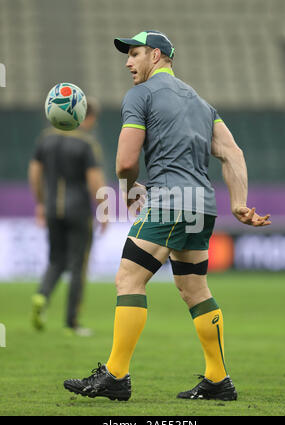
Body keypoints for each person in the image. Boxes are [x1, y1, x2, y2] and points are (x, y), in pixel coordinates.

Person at [64, 31, 271, 399]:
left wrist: (128, 192)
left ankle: (115, 375)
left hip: (170, 202)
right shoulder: (201, 103)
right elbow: (233, 153)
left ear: (156, 56)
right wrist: (238, 202)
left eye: (135, 54)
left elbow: (126, 161)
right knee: (194, 289)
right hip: (202, 206)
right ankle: (218, 380)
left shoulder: (140, 96)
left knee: (128, 279)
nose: (128, 62)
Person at [29, 97, 107, 336]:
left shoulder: (46, 138)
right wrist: (103, 210)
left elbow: (34, 172)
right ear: (86, 116)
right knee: (77, 266)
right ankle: (71, 323)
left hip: (52, 208)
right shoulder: (86, 143)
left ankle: (41, 295)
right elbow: (94, 179)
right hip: (78, 211)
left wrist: (41, 202)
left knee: (56, 260)